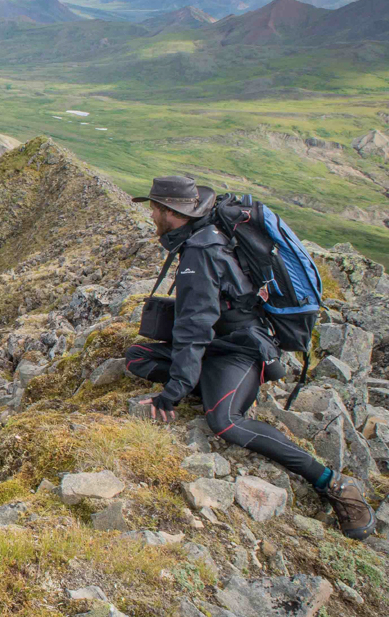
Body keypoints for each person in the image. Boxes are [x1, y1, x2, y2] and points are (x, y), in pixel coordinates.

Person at [124, 176, 375, 540]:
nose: (150, 213)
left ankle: (334, 483)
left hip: (240, 348)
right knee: (136, 357)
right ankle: (207, 379)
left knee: (226, 423)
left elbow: (194, 327)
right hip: (219, 343)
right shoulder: (203, 231)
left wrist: (174, 391)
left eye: (153, 207)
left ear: (169, 211)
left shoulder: (200, 252)